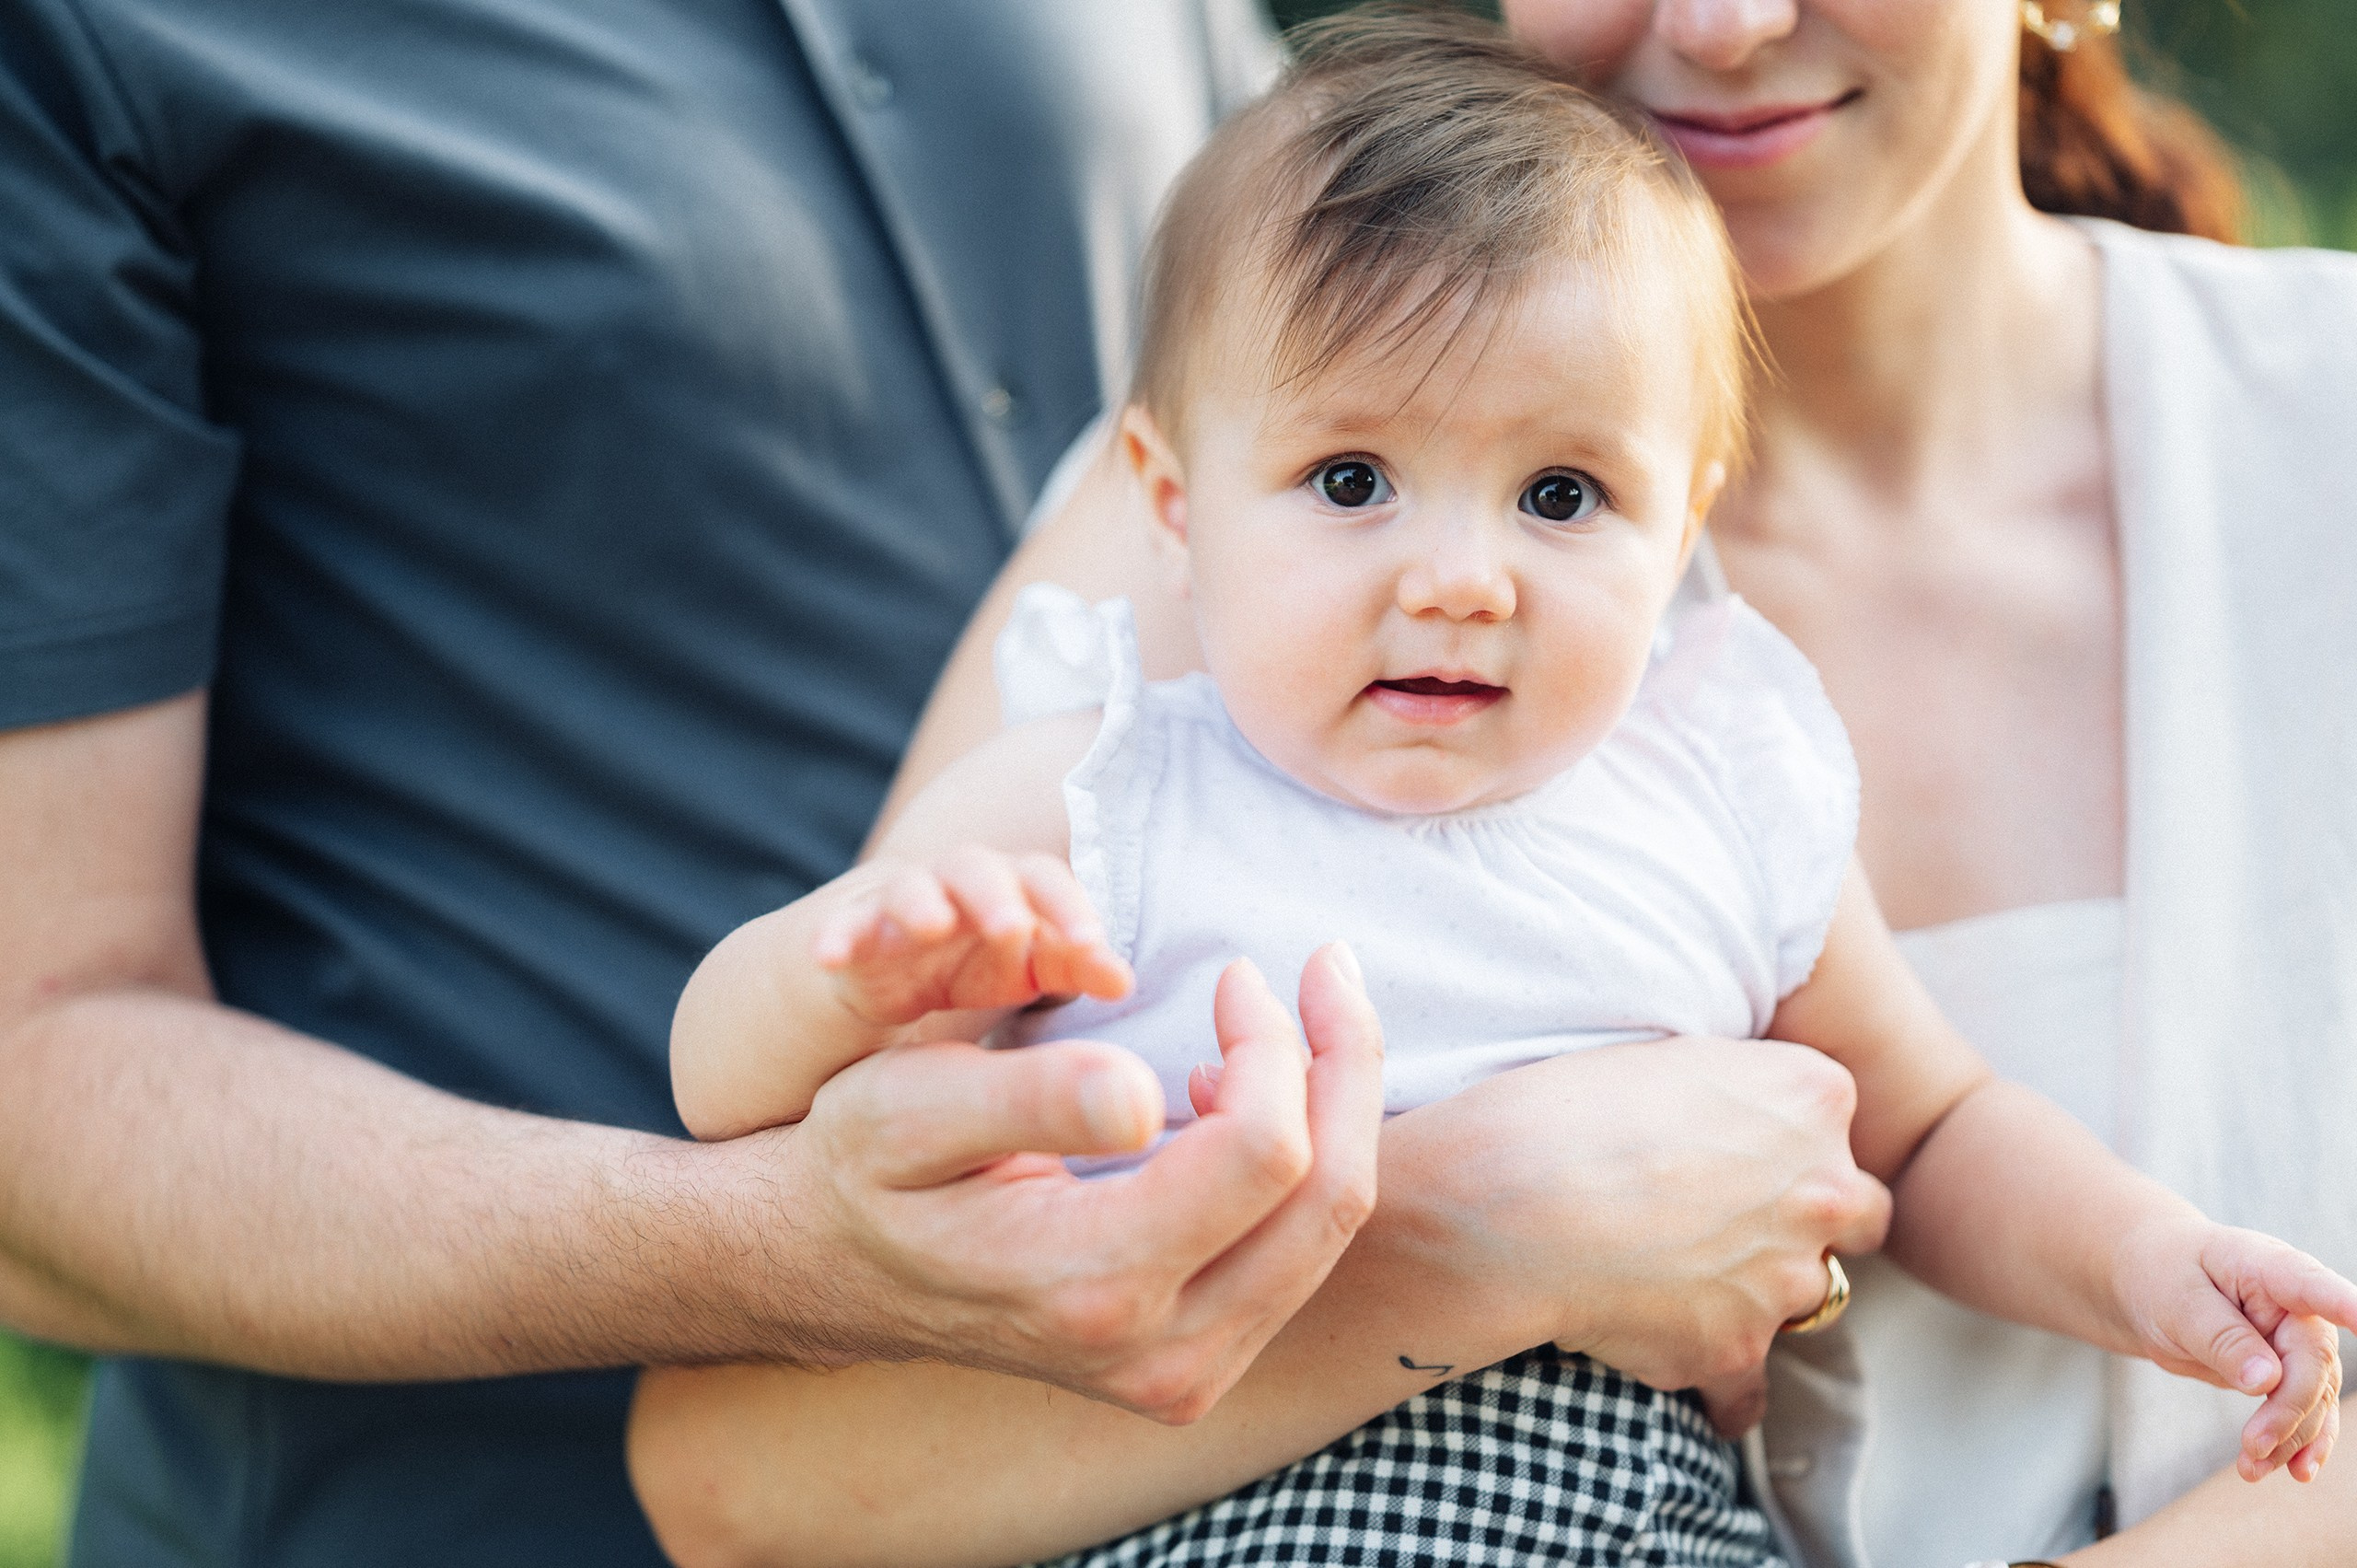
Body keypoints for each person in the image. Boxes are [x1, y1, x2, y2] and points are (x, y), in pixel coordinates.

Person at [0, 0, 1894, 1562]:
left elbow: (1317, 362)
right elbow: (32, 1068)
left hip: (1182, 1467)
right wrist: (785, 1254)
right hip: (459, 1509)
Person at [632, 2, 2357, 1565]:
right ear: (1175, 499)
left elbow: (1936, 1124)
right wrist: (829, 975)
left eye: (1556, 499)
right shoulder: (1102, 778)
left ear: (1688, 518)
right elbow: (757, 1171)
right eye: (1356, 477)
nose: (1459, 576)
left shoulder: (1715, 781)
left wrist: (2149, 1263)